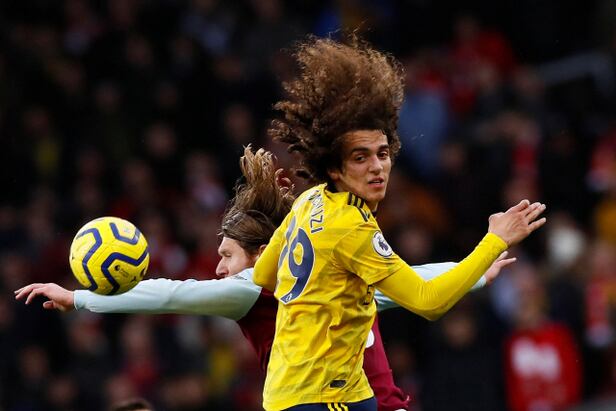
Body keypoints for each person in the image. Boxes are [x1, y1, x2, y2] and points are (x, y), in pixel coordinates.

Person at [14, 147, 513, 411]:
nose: (219, 269)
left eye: (226, 255)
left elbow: (171, 294)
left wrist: (81, 299)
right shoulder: (332, 276)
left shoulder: (250, 290)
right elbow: (407, 280)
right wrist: (474, 273)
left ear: (259, 254)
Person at [252, 36, 547, 411]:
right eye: (360, 158)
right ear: (334, 168)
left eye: (382, 153)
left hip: (316, 391)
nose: (377, 167)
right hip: (321, 398)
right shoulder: (350, 226)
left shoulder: (309, 201)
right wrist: (495, 240)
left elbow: (264, 275)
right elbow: (428, 302)